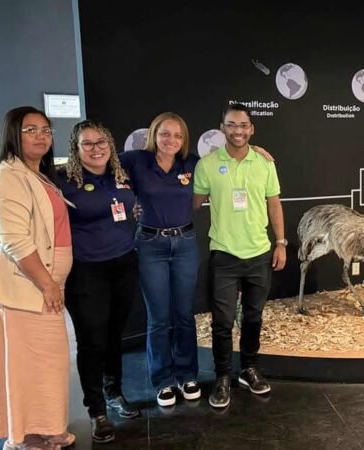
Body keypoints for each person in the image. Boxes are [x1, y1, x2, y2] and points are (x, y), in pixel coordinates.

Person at [0, 106, 75, 449]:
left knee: (47, 363)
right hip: (22, 288)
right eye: (31, 129)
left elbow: (10, 227)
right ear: (13, 134)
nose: (41, 135)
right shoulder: (6, 176)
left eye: (45, 129)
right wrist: (47, 284)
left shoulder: (37, 174)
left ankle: (45, 425)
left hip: (41, 285)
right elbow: (16, 241)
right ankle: (26, 437)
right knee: (24, 367)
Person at [193, 103, 286, 408]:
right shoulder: (206, 164)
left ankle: (249, 369)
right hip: (224, 254)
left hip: (259, 252)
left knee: (253, 316)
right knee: (222, 322)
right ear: (223, 128)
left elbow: (274, 204)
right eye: (232, 125)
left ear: (252, 129)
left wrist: (281, 242)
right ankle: (222, 376)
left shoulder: (265, 162)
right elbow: (191, 202)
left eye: (243, 125)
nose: (238, 131)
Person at [59, 120, 140, 443]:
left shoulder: (121, 174)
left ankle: (114, 393)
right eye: (87, 144)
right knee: (92, 340)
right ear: (76, 149)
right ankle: (96, 410)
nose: (96, 148)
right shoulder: (61, 180)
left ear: (110, 143)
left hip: (123, 264)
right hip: (86, 270)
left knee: (113, 335)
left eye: (101, 142)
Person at [119, 112, 202, 407]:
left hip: (185, 243)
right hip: (151, 244)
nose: (171, 140)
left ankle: (187, 374)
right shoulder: (135, 160)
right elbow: (98, 164)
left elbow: (224, 167)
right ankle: (163, 380)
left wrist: (257, 150)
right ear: (154, 134)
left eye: (177, 136)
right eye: (165, 134)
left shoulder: (192, 163)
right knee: (158, 317)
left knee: (183, 313)